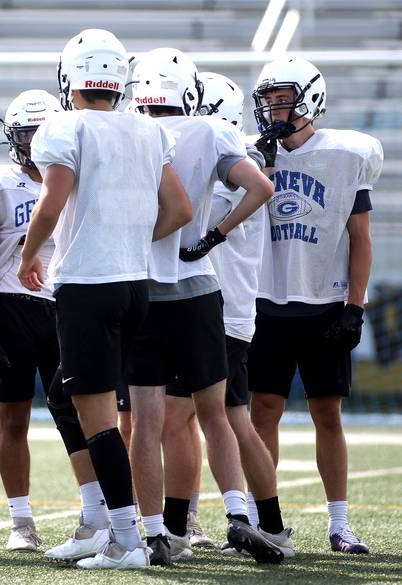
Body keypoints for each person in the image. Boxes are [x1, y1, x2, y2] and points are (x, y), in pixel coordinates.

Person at [17, 29, 193, 570]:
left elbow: (51, 201)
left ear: (70, 75)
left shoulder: (64, 125)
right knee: (92, 408)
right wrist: (132, 239)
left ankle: (124, 540)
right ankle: (106, 529)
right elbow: (181, 210)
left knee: (97, 419)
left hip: (89, 286)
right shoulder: (146, 128)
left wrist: (28, 255)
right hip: (134, 285)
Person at [126, 49, 283, 566]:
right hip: (197, 289)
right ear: (188, 92)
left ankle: (155, 534)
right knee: (215, 415)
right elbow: (261, 186)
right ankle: (238, 515)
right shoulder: (213, 131)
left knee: (148, 423)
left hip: (143, 289)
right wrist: (214, 235)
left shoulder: (129, 129)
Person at [247, 57, 383, 554]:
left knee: (328, 413)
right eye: (268, 99)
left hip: (325, 300)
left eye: (283, 98)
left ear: (310, 99)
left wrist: (356, 304)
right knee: (263, 411)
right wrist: (257, 165)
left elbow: (360, 237)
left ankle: (340, 524)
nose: (273, 109)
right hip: (267, 299)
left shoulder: (348, 154)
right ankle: (266, 519)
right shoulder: (254, 154)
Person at [164, 71, 294, 558]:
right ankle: (268, 523)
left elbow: (190, 217)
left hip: (208, 306)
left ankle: (181, 526)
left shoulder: (226, 158)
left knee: (182, 419)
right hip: (231, 309)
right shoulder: (243, 154)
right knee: (232, 418)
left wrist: (211, 235)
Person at [0, 89, 63, 552]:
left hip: (69, 305)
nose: (32, 143)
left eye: (42, 133)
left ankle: (99, 513)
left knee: (85, 418)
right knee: (13, 417)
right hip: (13, 305)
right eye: (26, 134)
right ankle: (21, 520)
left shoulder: (76, 180)